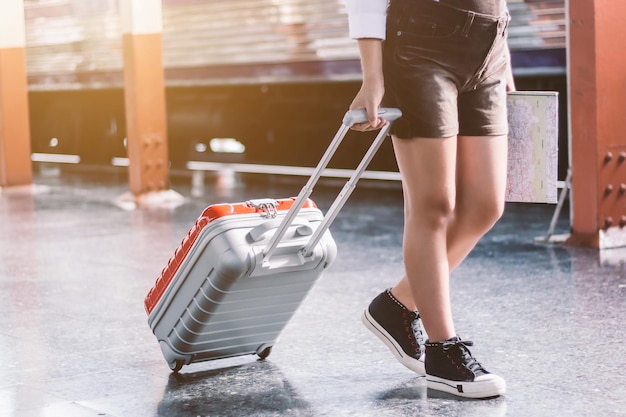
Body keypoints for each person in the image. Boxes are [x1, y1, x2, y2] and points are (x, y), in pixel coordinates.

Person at [345, 0, 515, 399]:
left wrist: (502, 51)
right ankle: (442, 352)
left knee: (486, 205)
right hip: (421, 44)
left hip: (490, 46)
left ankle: (397, 305)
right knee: (434, 203)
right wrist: (373, 75)